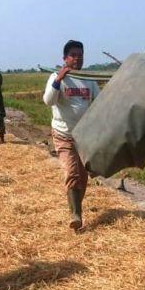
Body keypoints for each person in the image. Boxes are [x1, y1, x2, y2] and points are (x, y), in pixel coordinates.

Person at [43, 40, 100, 230]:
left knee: (82, 177)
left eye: (80, 55)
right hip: (63, 134)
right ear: (65, 58)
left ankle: (77, 207)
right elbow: (48, 101)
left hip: (83, 136)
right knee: (72, 172)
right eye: (73, 55)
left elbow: (98, 103)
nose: (77, 59)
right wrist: (58, 80)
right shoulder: (56, 77)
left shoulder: (89, 79)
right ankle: (75, 215)